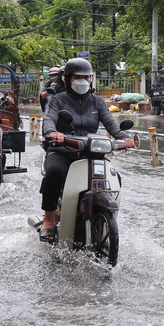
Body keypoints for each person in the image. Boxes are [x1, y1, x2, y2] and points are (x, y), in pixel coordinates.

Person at [39, 57, 134, 243]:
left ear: (91, 79)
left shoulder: (97, 102)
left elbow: (111, 126)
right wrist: (53, 133)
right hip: (63, 150)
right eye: (77, 77)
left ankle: (104, 215)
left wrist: (125, 138)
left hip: (91, 153)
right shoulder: (57, 100)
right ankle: (48, 219)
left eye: (86, 77)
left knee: (115, 177)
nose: (83, 81)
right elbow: (48, 120)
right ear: (68, 78)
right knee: (54, 172)